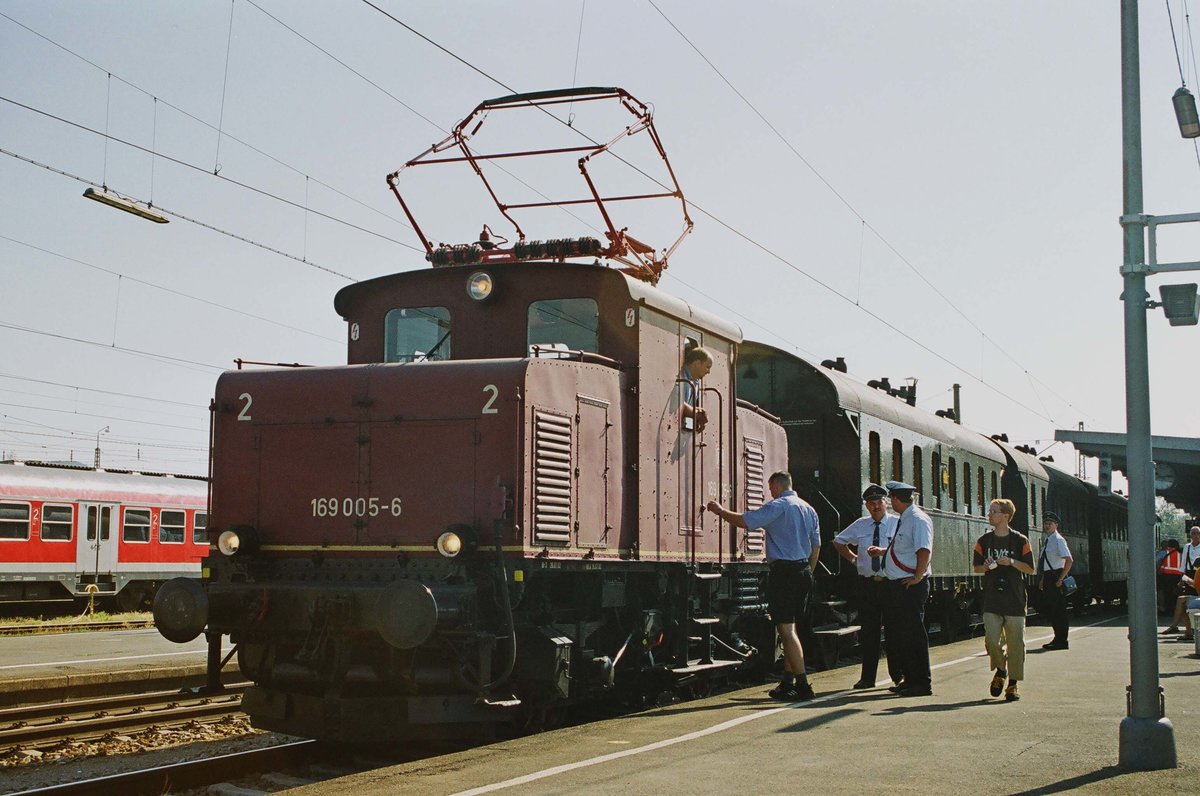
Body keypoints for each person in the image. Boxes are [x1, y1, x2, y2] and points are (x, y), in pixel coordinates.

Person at [707, 471, 821, 701]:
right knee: (793, 628)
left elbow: (745, 521)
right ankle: (787, 683)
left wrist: (719, 511)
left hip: (785, 572)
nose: (770, 492)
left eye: (770, 488)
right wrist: (808, 571)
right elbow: (816, 546)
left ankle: (803, 684)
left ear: (776, 486)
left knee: (786, 630)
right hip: (804, 570)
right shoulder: (809, 508)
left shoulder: (778, 506)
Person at [833, 483, 901, 689]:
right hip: (868, 584)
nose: (876, 506)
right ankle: (867, 678)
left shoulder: (898, 523)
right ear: (866, 506)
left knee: (893, 631)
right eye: (871, 503)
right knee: (869, 632)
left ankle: (898, 675)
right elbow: (838, 541)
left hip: (890, 583)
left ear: (886, 503)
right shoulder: (861, 525)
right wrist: (854, 559)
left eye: (879, 502)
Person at [973, 499, 1036, 702]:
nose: (989, 514)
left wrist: (1010, 562)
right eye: (990, 511)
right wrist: (987, 566)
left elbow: (1030, 568)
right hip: (992, 599)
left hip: (1015, 599)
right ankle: (1001, 670)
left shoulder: (1021, 541)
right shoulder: (983, 541)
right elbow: (976, 568)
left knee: (1016, 643)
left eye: (994, 511)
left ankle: (1013, 684)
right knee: (992, 640)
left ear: (1006, 516)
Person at [875, 481, 934, 697]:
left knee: (914, 635)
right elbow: (905, 550)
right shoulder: (906, 518)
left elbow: (923, 550)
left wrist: (917, 577)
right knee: (904, 635)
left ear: (897, 500)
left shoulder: (917, 520)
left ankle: (921, 683)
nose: (890, 503)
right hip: (900, 585)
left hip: (910, 586)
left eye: (891, 499)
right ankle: (910, 679)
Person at [1037, 510, 1073, 650]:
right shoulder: (1049, 540)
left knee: (1059, 611)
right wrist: (1042, 580)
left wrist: (1061, 578)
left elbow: (1069, 560)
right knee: (1053, 610)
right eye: (1045, 523)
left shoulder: (1058, 540)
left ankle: (1062, 641)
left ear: (1056, 525)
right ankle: (1057, 638)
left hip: (1056, 576)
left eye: (1050, 523)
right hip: (1049, 577)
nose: (1047, 526)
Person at [1161, 526, 1200, 635]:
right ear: (1190, 535)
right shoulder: (1187, 547)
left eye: (1198, 533)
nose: (1196, 535)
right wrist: (1182, 577)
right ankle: (1188, 629)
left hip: (1197, 574)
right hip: (1188, 574)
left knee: (1184, 602)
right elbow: (1183, 564)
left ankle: (1182, 628)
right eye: (1193, 533)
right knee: (1182, 602)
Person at [678, 346, 712, 434]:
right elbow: (676, 402)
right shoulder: (680, 377)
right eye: (707, 367)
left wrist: (699, 412)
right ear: (697, 363)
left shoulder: (695, 382)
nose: (708, 372)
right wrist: (696, 414)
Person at [1156, 539, 1184, 615]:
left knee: (1165, 593)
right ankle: (1174, 610)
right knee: (1175, 593)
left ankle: (1165, 609)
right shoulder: (1180, 554)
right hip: (1177, 577)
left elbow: (1155, 561)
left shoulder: (1163, 553)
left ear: (1168, 545)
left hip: (1165, 576)